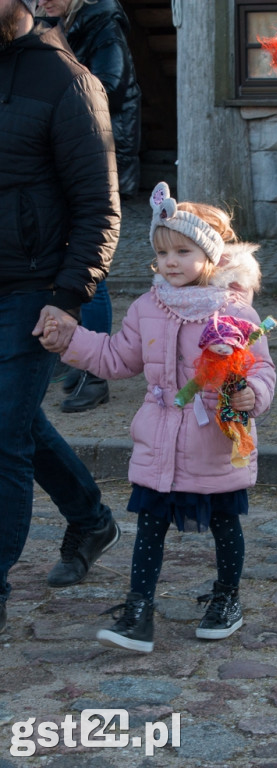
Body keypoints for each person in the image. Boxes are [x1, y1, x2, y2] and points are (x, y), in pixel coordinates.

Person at [41, 182, 277, 653]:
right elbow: (117, 358)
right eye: (162, 252)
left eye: (183, 251)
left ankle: (226, 597)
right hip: (158, 437)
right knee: (149, 525)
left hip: (214, 438)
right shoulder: (148, 306)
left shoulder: (234, 311)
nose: (171, 262)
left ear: (208, 256)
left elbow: (262, 368)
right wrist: (71, 341)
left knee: (224, 523)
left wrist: (253, 394)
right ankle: (138, 611)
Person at [0, 0, 121, 634]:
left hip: (35, 286)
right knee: (14, 421)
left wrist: (69, 296)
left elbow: (100, 206)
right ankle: (91, 517)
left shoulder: (70, 82)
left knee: (2, 435)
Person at [38, 0, 143, 411]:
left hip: (97, 152)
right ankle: (76, 359)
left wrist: (60, 95)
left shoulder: (102, 22)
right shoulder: (59, 21)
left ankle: (95, 373)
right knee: (67, 259)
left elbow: (110, 85)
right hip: (64, 153)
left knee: (89, 266)